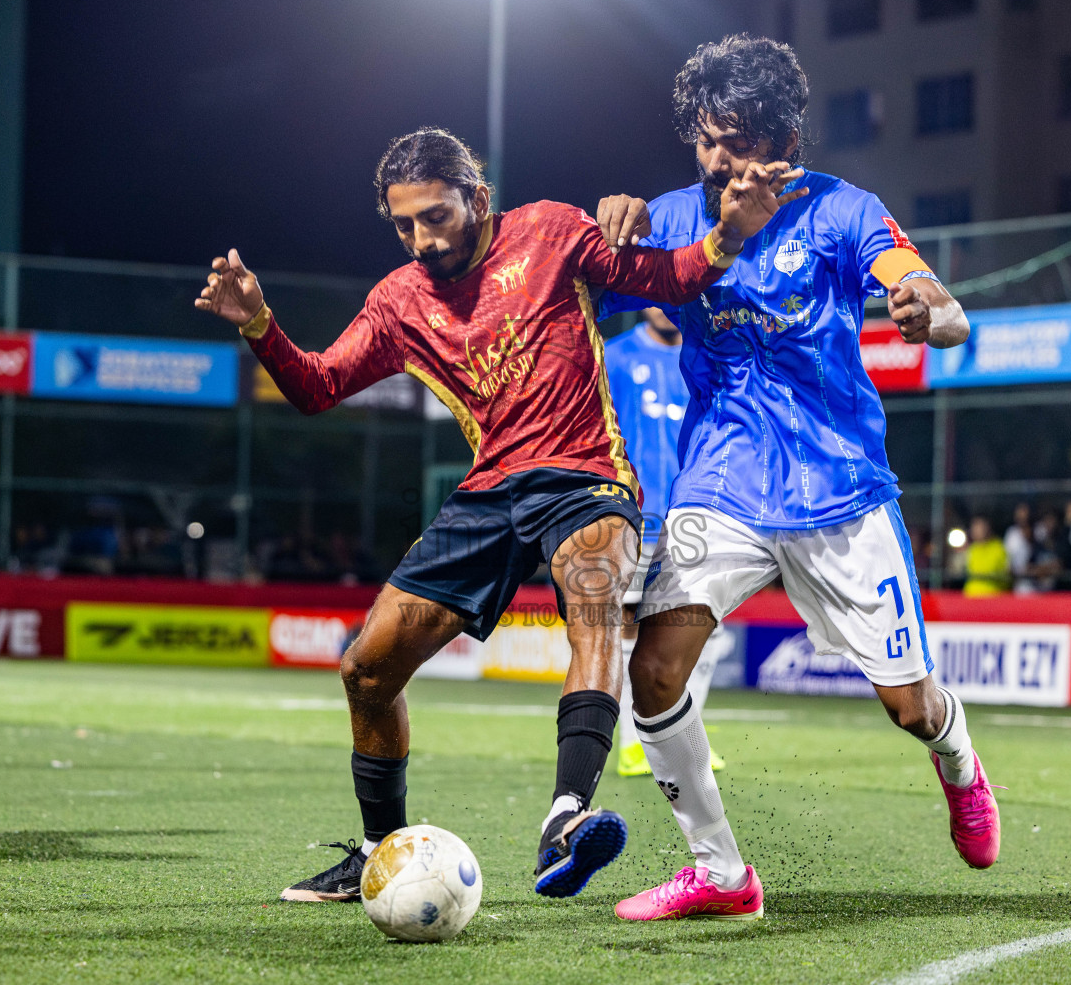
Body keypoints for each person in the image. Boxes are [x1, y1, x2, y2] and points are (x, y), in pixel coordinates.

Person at [195, 127, 804, 902]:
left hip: (586, 476)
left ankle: (566, 818)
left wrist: (728, 231)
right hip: (490, 492)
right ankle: (380, 853)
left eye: (437, 216)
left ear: (478, 199)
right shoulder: (400, 300)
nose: (422, 238)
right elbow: (317, 388)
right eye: (404, 224)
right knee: (365, 669)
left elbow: (673, 278)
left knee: (594, 607)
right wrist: (259, 325)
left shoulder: (550, 230)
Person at [593, 35, 998, 922]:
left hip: (839, 490)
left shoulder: (843, 212)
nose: (715, 160)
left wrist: (926, 311)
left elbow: (943, 305)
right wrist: (602, 232)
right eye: (703, 140)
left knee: (907, 704)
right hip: (721, 483)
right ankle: (722, 872)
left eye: (733, 141)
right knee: (655, 671)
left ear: (780, 141)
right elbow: (575, 297)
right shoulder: (671, 216)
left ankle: (959, 758)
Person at [603, 306, 728, 777]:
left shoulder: (710, 354)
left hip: (701, 517)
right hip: (634, 517)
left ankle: (688, 739)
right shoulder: (613, 356)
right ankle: (635, 743)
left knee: (703, 632)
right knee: (630, 631)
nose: (661, 302)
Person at [963, 515, 1010, 597]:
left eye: (978, 526)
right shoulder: (972, 549)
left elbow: (1006, 577)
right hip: (970, 597)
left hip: (992, 597)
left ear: (987, 528)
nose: (975, 530)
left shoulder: (999, 548)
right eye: (974, 526)